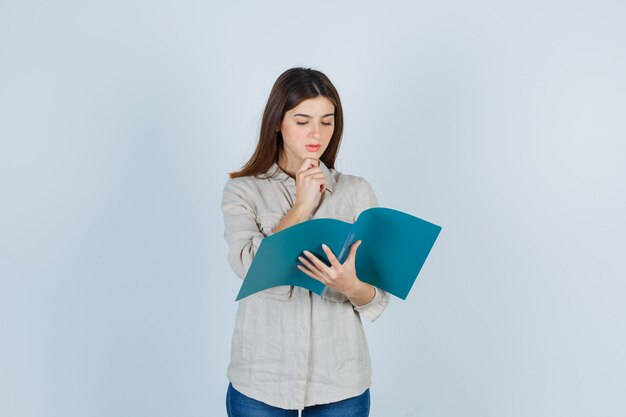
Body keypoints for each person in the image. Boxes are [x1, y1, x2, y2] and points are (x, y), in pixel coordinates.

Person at [221, 67, 390, 417]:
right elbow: (248, 267)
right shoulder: (243, 191)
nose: (317, 132)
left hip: (341, 381)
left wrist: (351, 285)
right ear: (277, 123)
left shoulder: (357, 191)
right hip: (261, 380)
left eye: (327, 121)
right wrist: (301, 206)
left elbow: (377, 295)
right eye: (302, 120)